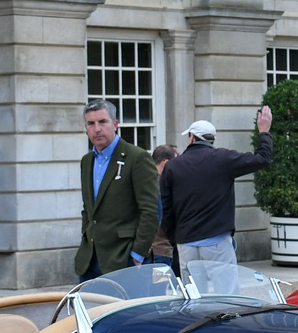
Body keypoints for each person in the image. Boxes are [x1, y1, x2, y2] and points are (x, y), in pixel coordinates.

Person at [160, 107, 273, 284]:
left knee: (194, 299)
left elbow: (165, 208)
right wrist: (264, 132)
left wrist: (176, 238)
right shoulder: (223, 159)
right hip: (217, 241)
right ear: (211, 139)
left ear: (192, 137)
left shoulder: (173, 166)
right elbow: (263, 158)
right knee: (226, 297)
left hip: (186, 243)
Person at [74, 99, 161, 280]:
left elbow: (151, 211)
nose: (97, 128)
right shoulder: (87, 161)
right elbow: (88, 209)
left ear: (115, 124)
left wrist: (137, 255)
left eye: (102, 122)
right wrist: (86, 234)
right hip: (90, 259)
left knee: (127, 309)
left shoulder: (137, 157)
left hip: (124, 259)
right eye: (91, 123)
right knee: (92, 309)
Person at [146, 144, 180, 269]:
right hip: (162, 251)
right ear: (165, 163)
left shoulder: (145, 182)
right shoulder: (163, 186)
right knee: (160, 287)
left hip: (147, 252)